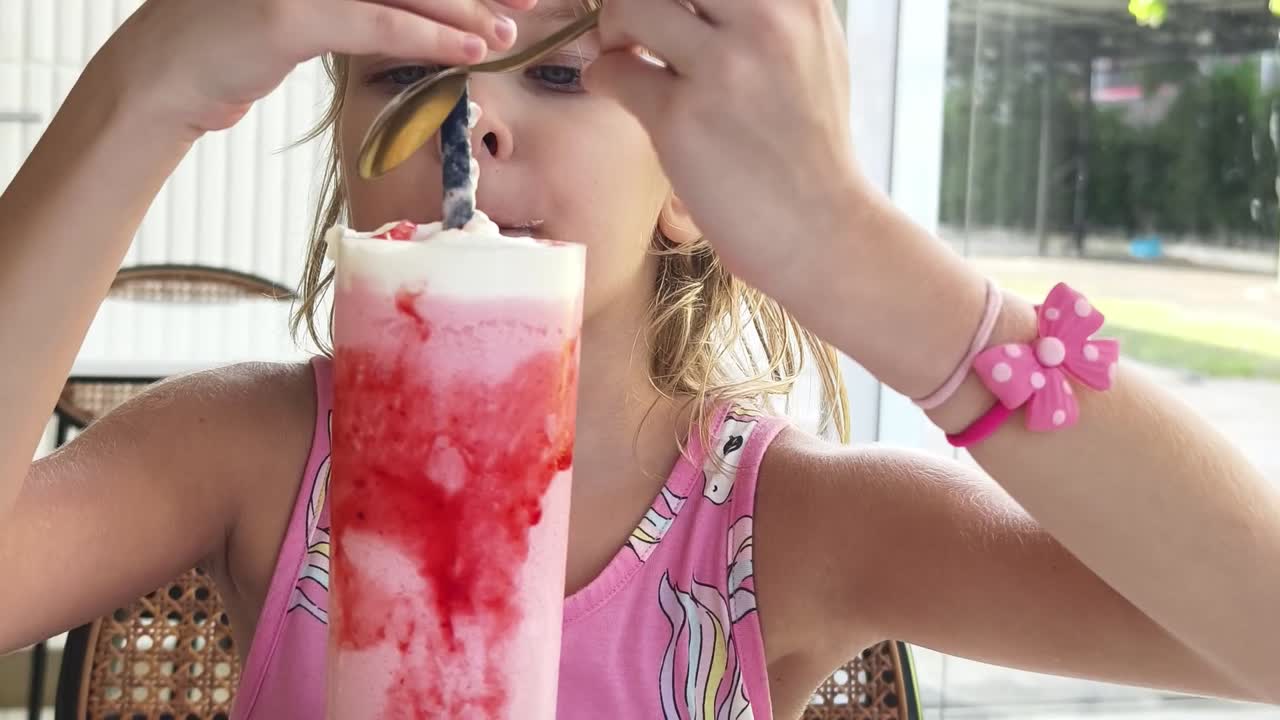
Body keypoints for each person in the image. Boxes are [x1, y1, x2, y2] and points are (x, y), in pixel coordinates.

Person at [1, 0, 1276, 717]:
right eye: (402, 70)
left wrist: (858, 256)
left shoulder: (781, 527)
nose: (471, 116)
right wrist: (141, 90)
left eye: (556, 72)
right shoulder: (256, 455)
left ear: (687, 175)